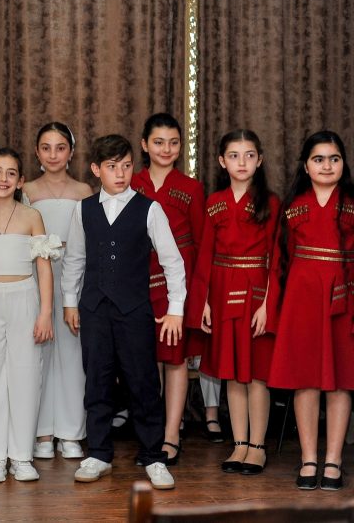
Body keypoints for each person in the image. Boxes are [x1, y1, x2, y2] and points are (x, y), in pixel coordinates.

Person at [61, 134, 185, 490]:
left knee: (143, 383)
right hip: (94, 310)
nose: (120, 173)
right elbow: (75, 259)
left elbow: (173, 262)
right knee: (97, 382)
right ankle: (99, 454)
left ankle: (154, 457)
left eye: (127, 166)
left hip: (135, 311)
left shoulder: (150, 209)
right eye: (112, 167)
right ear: (96, 169)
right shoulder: (83, 209)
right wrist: (70, 302)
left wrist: (175, 309)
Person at [0, 147, 59, 483]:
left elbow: (44, 268)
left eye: (11, 173)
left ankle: (21, 455)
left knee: (25, 374)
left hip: (24, 298)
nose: (3, 179)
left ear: (20, 181)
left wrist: (45, 312)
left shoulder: (31, 217)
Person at [266, 131, 354, 491]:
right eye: (319, 159)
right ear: (306, 165)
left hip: (343, 301)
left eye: (334, 158)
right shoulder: (292, 206)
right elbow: (278, 261)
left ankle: (333, 460)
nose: (327, 165)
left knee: (340, 380)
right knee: (305, 379)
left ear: (343, 163)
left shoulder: (351, 204)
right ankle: (308, 458)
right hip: (301, 303)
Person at [189, 130, 278, 476]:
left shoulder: (270, 203)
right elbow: (205, 255)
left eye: (249, 155)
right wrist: (204, 301)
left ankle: (257, 446)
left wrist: (268, 304)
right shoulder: (214, 201)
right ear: (222, 161)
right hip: (222, 294)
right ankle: (239, 443)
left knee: (255, 374)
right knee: (232, 374)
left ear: (260, 160)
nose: (242, 162)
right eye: (234, 155)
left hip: (256, 294)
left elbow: (276, 258)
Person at [132, 113, 212, 460]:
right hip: (138, 280)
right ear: (144, 145)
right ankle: (150, 433)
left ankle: (171, 435)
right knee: (145, 360)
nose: (166, 149)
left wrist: (200, 295)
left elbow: (202, 242)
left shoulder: (191, 188)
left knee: (175, 358)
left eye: (174, 142)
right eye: (159, 142)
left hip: (176, 284)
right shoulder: (130, 182)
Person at [22, 122, 91, 461]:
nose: (53, 155)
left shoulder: (83, 191)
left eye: (60, 147)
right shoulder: (27, 190)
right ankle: (41, 431)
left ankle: (71, 432)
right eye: (46, 148)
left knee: (73, 354)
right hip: (37, 274)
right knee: (39, 352)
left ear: (71, 152)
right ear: (37, 152)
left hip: (74, 274)